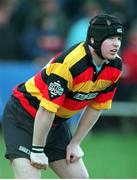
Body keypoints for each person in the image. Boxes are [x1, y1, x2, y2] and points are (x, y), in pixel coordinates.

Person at [2, 14, 124, 179]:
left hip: (53, 123)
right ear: (94, 39)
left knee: (80, 177)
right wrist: (37, 150)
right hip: (23, 115)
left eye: (118, 38)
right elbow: (46, 109)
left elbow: (97, 107)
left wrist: (75, 143)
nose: (116, 44)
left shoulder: (115, 66)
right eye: (110, 38)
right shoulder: (69, 64)